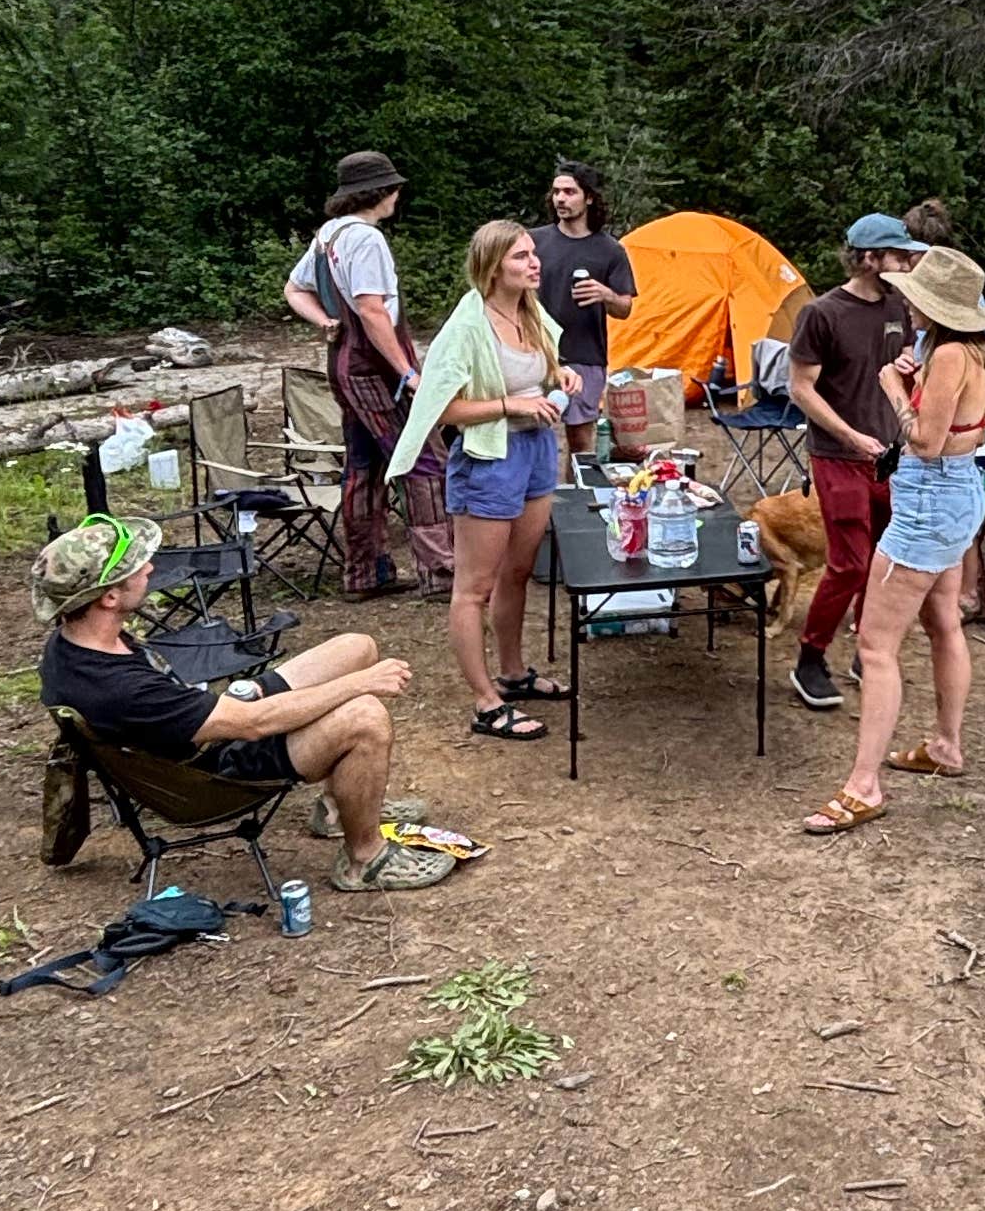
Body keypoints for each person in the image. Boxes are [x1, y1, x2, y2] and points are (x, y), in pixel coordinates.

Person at [33, 512, 454, 894]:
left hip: (206, 730)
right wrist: (362, 685)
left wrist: (243, 691)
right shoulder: (118, 687)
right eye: (136, 567)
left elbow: (188, 707)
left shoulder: (75, 641)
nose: (149, 567)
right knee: (365, 715)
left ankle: (338, 807)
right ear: (108, 597)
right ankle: (364, 858)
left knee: (355, 647)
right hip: (216, 773)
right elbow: (253, 724)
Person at [805, 242, 985, 834]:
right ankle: (946, 743)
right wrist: (914, 382)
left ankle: (863, 785)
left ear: (935, 308)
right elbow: (972, 425)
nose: (906, 306)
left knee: (875, 645)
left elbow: (925, 442)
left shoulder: (947, 357)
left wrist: (893, 385)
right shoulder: (977, 354)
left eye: (915, 298)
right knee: (942, 619)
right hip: (961, 495)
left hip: (927, 502)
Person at [389, 222, 581, 741]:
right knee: (473, 588)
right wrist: (510, 404)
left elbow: (537, 374)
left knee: (518, 573)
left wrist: (558, 378)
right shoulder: (467, 326)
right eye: (521, 257)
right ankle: (485, 702)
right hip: (488, 459)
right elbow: (443, 410)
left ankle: (514, 675)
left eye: (534, 254)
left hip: (536, 451)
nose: (535, 263)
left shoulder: (530, 310)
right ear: (495, 265)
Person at [282, 151, 454, 602]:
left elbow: (294, 289)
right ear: (380, 191)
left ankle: (365, 574)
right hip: (373, 368)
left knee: (364, 466)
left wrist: (323, 322)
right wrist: (407, 372)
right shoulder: (365, 238)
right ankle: (442, 573)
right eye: (394, 187)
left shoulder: (328, 235)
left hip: (343, 362)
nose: (398, 194)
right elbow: (373, 309)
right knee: (424, 460)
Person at [783, 214, 919, 714]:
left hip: (888, 454)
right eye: (898, 254)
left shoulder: (898, 307)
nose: (907, 262)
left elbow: (894, 363)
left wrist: (908, 366)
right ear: (869, 258)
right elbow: (801, 389)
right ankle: (809, 658)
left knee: (883, 562)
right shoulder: (822, 313)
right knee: (849, 564)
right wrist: (851, 435)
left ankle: (869, 647)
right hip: (839, 454)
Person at [534, 162, 636, 470]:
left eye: (569, 192)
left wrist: (606, 295)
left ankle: (571, 507)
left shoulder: (610, 251)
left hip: (586, 355)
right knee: (530, 436)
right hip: (534, 352)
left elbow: (625, 309)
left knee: (580, 444)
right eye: (556, 192)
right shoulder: (533, 242)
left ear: (588, 198)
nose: (560, 199)